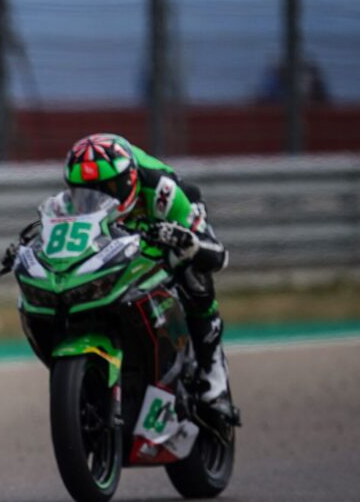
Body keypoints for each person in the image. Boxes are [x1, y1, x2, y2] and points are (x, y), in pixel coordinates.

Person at [59, 133, 235, 417]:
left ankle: (215, 377)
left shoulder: (162, 190)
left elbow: (217, 255)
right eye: (86, 192)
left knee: (193, 270)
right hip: (119, 239)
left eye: (108, 189)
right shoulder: (71, 203)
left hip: (165, 219)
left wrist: (185, 240)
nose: (97, 199)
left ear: (129, 180)